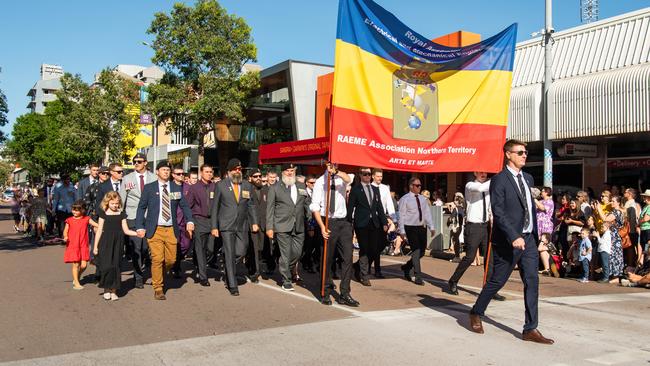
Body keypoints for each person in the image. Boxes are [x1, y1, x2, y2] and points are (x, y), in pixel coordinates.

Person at [469, 139, 554, 345]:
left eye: (526, 152)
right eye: (520, 152)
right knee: (498, 280)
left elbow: (528, 207)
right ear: (508, 154)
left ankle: (530, 329)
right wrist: (513, 235)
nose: (525, 155)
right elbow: (498, 211)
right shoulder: (500, 180)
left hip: (529, 239)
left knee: (532, 281)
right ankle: (476, 312)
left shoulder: (528, 178)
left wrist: (536, 231)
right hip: (509, 239)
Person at [136, 161, 195, 300]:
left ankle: (158, 275)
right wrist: (140, 226)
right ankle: (158, 287)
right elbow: (141, 207)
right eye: (163, 170)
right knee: (157, 259)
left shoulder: (175, 187)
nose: (166, 172)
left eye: (168, 170)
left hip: (171, 230)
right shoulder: (150, 188)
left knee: (171, 259)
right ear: (157, 172)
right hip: (155, 229)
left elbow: (185, 206)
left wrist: (190, 221)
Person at [448, 172, 504, 300]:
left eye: (485, 172)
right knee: (470, 257)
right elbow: (480, 188)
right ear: (475, 173)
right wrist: (497, 178)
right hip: (473, 227)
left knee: (489, 258)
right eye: (480, 172)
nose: (483, 174)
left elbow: (489, 206)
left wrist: (492, 217)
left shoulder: (488, 188)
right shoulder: (470, 185)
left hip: (485, 227)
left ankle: (489, 289)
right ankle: (453, 280)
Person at [310, 162, 358, 307]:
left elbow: (349, 179)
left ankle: (345, 293)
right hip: (328, 222)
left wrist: (336, 172)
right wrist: (322, 226)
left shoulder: (341, 178)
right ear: (325, 164)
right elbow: (315, 206)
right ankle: (325, 291)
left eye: (335, 164)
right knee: (327, 258)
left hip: (344, 223)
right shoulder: (319, 182)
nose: (332, 166)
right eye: (330, 164)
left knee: (347, 258)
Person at [210, 158, 258, 296]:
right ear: (229, 171)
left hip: (242, 225)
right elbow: (215, 208)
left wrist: (254, 222)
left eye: (240, 169)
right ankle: (232, 284)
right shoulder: (221, 185)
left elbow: (251, 205)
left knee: (241, 251)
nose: (238, 171)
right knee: (230, 252)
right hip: (226, 225)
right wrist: (214, 226)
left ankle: (227, 263)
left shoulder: (247, 185)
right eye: (235, 169)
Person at [266, 163, 311, 291]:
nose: (290, 173)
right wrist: (270, 227)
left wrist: (310, 217)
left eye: (292, 170)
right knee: (285, 254)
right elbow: (269, 209)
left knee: (297, 253)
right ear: (282, 172)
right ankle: (286, 280)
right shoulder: (275, 188)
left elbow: (307, 203)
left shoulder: (301, 186)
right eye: (287, 171)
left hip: (299, 226)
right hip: (282, 225)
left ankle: (283, 265)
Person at [120, 153, 156, 289]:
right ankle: (138, 277)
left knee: (147, 248)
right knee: (137, 248)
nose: (136, 164)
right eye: (134, 161)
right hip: (133, 216)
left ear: (145, 163)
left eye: (139, 161)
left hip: (149, 216)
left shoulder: (153, 178)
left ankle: (149, 269)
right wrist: (120, 217)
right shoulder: (127, 179)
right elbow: (122, 199)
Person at [94, 192, 138, 301]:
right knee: (106, 266)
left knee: (116, 266)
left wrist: (138, 233)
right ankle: (106, 289)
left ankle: (114, 290)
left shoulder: (121, 214)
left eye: (117, 203)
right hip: (105, 242)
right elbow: (99, 230)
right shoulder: (103, 214)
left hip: (118, 242)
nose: (115, 205)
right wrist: (95, 246)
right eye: (112, 203)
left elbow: (126, 230)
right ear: (107, 202)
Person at [348, 167, 387, 287]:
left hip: (374, 222)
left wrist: (384, 222)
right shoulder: (356, 190)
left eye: (369, 174)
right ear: (360, 175)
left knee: (375, 249)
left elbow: (379, 206)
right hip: (361, 223)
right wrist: (349, 223)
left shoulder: (375, 189)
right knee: (364, 249)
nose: (367, 176)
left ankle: (356, 266)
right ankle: (364, 275)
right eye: (365, 174)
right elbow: (350, 207)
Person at [398, 177, 435, 286]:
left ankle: (407, 267)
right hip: (410, 227)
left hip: (421, 227)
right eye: (417, 185)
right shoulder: (405, 199)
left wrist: (431, 226)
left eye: (420, 185)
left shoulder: (423, 199)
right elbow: (401, 215)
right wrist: (402, 230)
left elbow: (427, 213)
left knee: (422, 251)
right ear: (411, 186)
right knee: (416, 250)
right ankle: (418, 276)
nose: (419, 187)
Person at [184, 164, 215, 286]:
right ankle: (203, 276)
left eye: (210, 172)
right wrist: (189, 222)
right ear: (201, 173)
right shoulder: (194, 188)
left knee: (210, 249)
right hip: (199, 220)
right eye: (206, 172)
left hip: (212, 221)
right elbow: (187, 206)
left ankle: (198, 262)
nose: (209, 174)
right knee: (200, 249)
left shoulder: (215, 186)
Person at [63, 201, 98, 290]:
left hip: (83, 244)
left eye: (76, 210)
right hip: (73, 244)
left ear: (82, 210)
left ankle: (77, 276)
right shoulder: (69, 220)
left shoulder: (86, 219)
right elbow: (65, 230)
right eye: (73, 210)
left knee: (83, 265)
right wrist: (65, 236)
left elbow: (96, 224)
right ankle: (76, 283)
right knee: (75, 264)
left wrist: (101, 226)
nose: (74, 212)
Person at [371, 168, 395, 277]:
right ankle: (377, 269)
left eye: (381, 176)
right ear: (373, 176)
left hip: (383, 219)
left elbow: (389, 204)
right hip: (371, 219)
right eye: (378, 176)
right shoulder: (368, 187)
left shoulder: (385, 188)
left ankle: (364, 264)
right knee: (373, 245)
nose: (380, 178)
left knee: (382, 244)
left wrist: (393, 218)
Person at [596, 195, 625, 283]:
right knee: (610, 256)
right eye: (611, 201)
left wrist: (599, 208)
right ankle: (612, 276)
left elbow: (605, 219)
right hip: (610, 236)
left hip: (614, 237)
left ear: (618, 203)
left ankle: (615, 277)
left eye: (613, 201)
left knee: (614, 256)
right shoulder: (613, 211)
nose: (611, 202)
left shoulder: (617, 212)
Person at [170, 165, 192, 279]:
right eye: (178, 174)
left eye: (183, 174)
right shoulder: (169, 187)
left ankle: (176, 260)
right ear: (173, 175)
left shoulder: (188, 187)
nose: (181, 176)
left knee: (186, 245)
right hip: (173, 222)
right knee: (176, 245)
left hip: (185, 222)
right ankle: (176, 267)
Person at [247, 168, 267, 281]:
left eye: (260, 176)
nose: (258, 178)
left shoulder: (266, 190)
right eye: (255, 176)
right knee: (254, 248)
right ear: (250, 178)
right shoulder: (246, 189)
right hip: (251, 224)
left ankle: (252, 265)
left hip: (264, 224)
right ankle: (255, 271)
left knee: (261, 248)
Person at [623, 188, 642, 267]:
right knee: (630, 247)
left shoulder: (631, 204)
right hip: (630, 229)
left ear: (630, 194)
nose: (624, 193)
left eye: (625, 192)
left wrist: (630, 231)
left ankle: (631, 266)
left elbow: (632, 218)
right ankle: (630, 265)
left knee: (630, 248)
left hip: (631, 230)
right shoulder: (628, 203)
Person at [639, 190, 650, 254]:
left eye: (645, 197)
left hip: (648, 229)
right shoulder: (646, 206)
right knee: (645, 250)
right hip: (643, 229)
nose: (644, 198)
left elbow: (646, 218)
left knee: (648, 247)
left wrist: (639, 222)